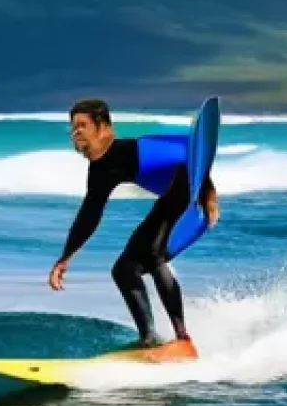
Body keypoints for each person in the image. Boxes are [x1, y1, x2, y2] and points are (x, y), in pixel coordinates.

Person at [48, 98, 219, 347]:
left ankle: (182, 337)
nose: (76, 132)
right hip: (173, 199)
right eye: (73, 127)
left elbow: (189, 154)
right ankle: (149, 338)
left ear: (104, 128)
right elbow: (89, 215)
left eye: (82, 125)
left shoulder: (138, 149)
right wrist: (65, 259)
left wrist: (208, 194)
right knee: (124, 269)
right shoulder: (100, 172)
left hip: (187, 195)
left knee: (152, 253)